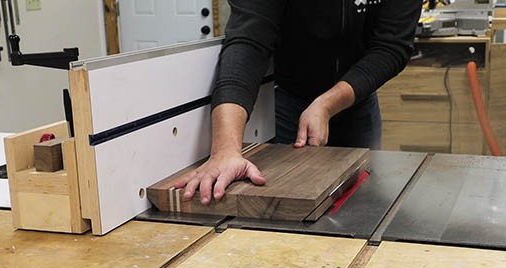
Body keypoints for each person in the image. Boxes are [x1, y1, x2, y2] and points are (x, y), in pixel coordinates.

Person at [175, 0, 421, 205]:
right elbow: (248, 42)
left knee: (364, 206)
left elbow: (391, 47)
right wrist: (225, 151)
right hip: (289, 97)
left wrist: (327, 104)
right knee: (286, 207)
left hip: (358, 101)